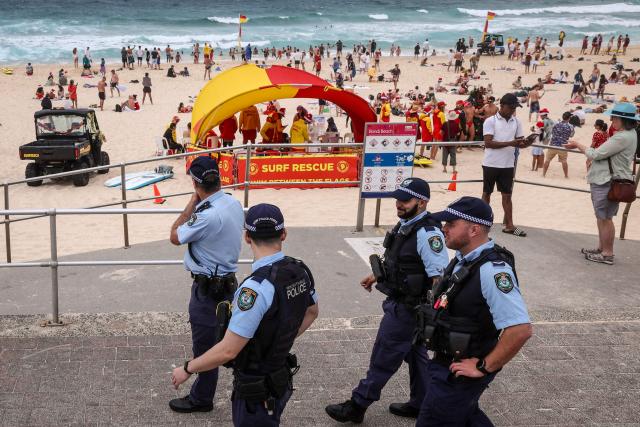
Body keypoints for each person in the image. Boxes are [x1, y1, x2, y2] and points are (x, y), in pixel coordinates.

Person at [171, 203, 318, 426]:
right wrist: (279, 342)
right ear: (284, 234)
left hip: (256, 389)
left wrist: (187, 368)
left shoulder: (255, 289)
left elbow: (229, 350)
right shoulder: (299, 271)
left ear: (247, 237)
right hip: (280, 376)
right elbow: (312, 312)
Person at [325, 178, 449, 423]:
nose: (399, 204)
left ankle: (357, 405)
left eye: (405, 200)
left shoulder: (427, 234)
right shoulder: (408, 224)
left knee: (384, 355)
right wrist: (376, 275)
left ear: (422, 202)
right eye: (398, 199)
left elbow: (439, 278)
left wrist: (434, 314)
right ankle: (421, 402)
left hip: (408, 309)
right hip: (407, 305)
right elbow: (401, 261)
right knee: (416, 355)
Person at [414, 196, 532, 425]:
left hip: (462, 368)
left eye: (451, 224)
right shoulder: (464, 259)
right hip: (449, 362)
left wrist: (483, 366)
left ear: (474, 229)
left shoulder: (492, 271)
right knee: (466, 416)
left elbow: (520, 329)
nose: (444, 228)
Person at [168, 156, 244, 413]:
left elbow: (174, 236)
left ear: (195, 183)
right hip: (229, 285)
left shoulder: (206, 216)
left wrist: (192, 201)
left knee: (205, 346)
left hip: (207, 290)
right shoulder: (233, 204)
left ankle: (202, 399)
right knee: (226, 339)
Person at [565, 102, 639, 265]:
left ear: (622, 120)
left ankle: (607, 253)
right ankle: (602, 248)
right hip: (608, 179)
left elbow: (596, 154)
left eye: (614, 118)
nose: (612, 120)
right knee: (602, 216)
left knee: (605, 217)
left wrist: (577, 144)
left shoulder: (622, 136)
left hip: (607, 180)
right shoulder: (630, 134)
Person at [481, 93, 535, 237]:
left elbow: (519, 143)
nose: (513, 110)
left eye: (515, 108)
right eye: (511, 107)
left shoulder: (517, 122)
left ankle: (510, 225)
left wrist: (528, 142)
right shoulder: (490, 121)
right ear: (502, 106)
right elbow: (488, 143)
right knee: (487, 193)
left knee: (507, 195)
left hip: (507, 164)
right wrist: (511, 143)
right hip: (491, 163)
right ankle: (483, 222)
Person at [543, 111, 574, 178]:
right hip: (563, 146)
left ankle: (543, 174)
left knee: (547, 160)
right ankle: (566, 175)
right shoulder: (570, 126)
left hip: (553, 144)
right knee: (564, 161)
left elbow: (550, 131)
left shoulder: (556, 124)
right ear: (569, 118)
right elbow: (571, 135)